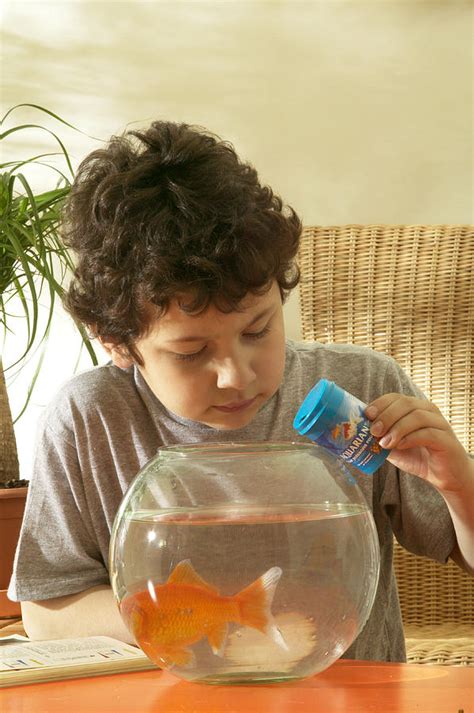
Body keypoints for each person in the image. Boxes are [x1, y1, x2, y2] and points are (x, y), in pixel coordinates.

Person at [9, 121, 474, 663]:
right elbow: (46, 610)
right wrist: (203, 626)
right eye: (190, 353)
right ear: (116, 342)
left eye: (258, 330)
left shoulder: (361, 389)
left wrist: (457, 483)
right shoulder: (91, 417)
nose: (235, 374)